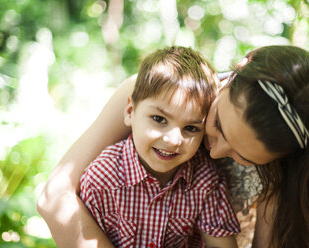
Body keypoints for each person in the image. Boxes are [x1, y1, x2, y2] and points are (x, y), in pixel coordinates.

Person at [37, 45, 309, 248]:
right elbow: (55, 197)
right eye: (218, 127)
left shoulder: (281, 172)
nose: (214, 152)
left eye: (243, 156)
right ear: (230, 79)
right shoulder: (161, 92)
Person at [79, 46, 240, 248]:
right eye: (159, 119)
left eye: (190, 128)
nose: (173, 140)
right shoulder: (101, 178)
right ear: (130, 112)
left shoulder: (205, 181)